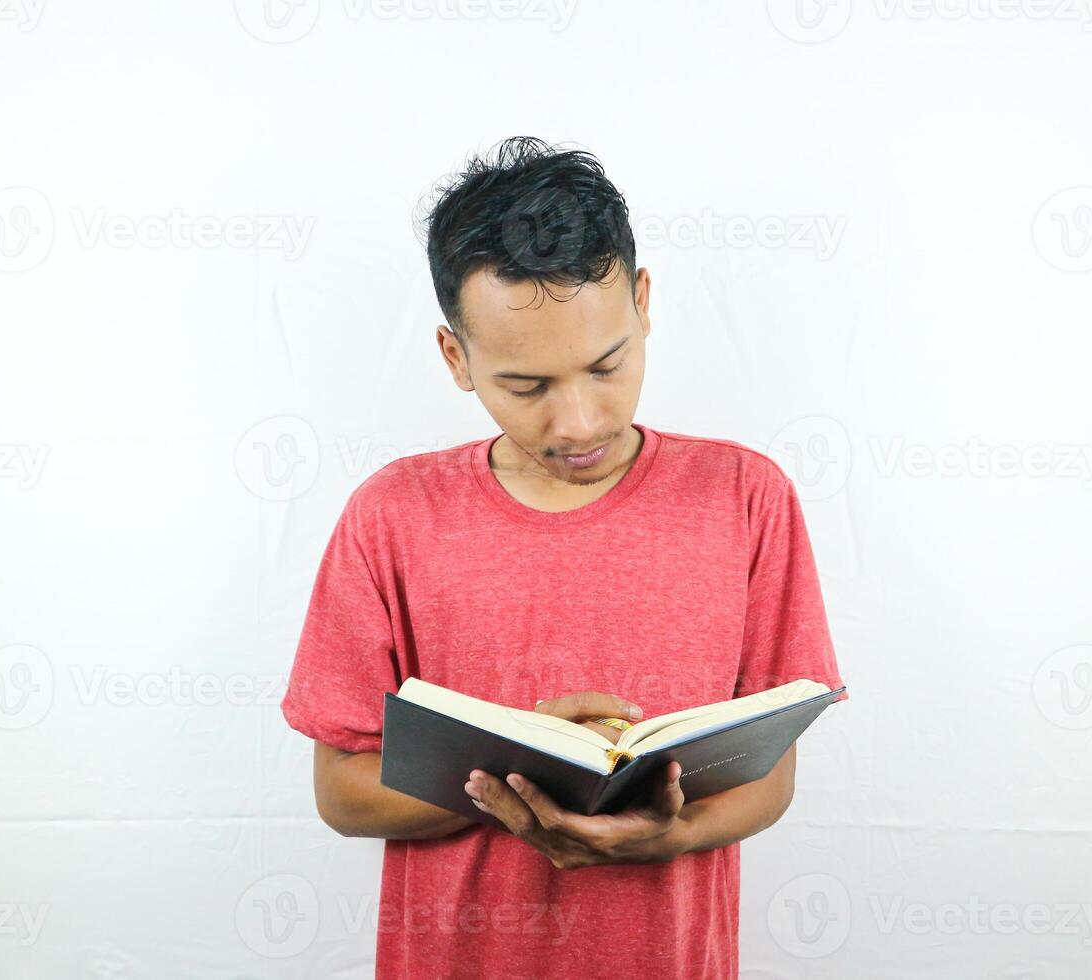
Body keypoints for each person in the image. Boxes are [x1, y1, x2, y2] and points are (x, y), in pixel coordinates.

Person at [280, 136, 848, 979]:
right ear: (455, 359)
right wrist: (527, 767)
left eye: (606, 364)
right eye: (527, 386)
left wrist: (675, 832)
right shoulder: (392, 516)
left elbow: (768, 776)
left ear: (643, 303)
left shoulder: (745, 497)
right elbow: (342, 793)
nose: (579, 421)